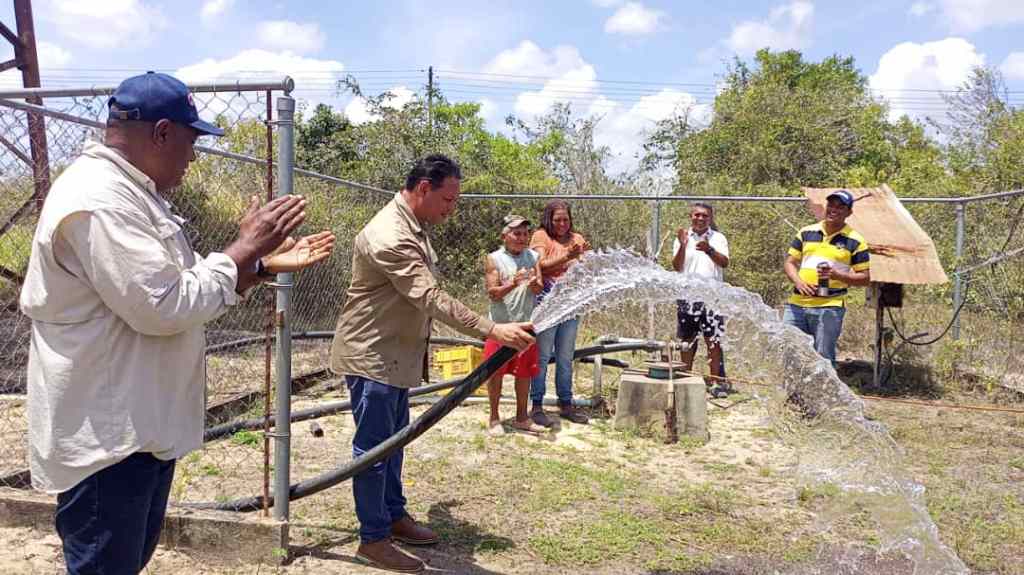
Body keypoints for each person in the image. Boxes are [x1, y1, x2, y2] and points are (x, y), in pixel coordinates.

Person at [19, 72, 335, 575]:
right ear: (162, 133)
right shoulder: (99, 199)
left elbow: (175, 285)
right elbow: (164, 305)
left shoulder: (132, 193)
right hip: (109, 440)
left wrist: (257, 266)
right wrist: (243, 249)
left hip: (137, 428)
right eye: (191, 142)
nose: (193, 157)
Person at [329, 154, 534, 573]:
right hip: (373, 356)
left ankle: (393, 515)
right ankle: (373, 539)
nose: (451, 208)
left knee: (394, 442)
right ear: (424, 188)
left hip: (395, 355)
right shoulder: (389, 234)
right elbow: (429, 297)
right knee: (374, 450)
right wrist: (491, 329)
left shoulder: (412, 226)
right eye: (448, 199)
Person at [783, 189, 871, 365]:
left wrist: (837, 275)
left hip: (829, 307)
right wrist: (798, 282)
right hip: (796, 305)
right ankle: (792, 385)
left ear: (849, 212)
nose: (833, 210)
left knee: (823, 358)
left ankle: (823, 385)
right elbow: (789, 263)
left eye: (840, 207)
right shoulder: (806, 232)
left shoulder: (855, 240)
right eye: (831, 205)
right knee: (789, 352)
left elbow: (865, 278)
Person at [529, 200, 591, 427]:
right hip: (547, 301)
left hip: (571, 302)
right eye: (557, 220)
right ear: (549, 219)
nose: (562, 224)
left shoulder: (577, 239)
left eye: (566, 219)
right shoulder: (541, 237)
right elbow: (541, 266)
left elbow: (587, 267)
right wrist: (568, 256)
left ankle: (566, 403)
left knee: (566, 355)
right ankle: (537, 404)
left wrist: (585, 261)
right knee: (543, 355)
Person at [483, 215, 546, 436]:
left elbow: (539, 288)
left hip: (526, 325)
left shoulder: (533, 256)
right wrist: (513, 283)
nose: (521, 238)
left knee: (524, 373)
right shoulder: (494, 259)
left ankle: (521, 418)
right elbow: (493, 294)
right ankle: (494, 419)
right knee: (495, 373)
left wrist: (535, 284)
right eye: (516, 233)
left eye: (525, 234)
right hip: (499, 328)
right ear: (504, 236)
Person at [671, 202, 730, 391]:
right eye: (697, 215)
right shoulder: (683, 237)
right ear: (691, 216)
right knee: (687, 339)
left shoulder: (718, 238)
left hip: (712, 297)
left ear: (710, 218)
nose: (701, 218)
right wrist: (682, 245)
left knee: (713, 340)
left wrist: (709, 249)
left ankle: (715, 382)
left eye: (705, 215)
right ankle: (685, 379)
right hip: (687, 296)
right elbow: (677, 266)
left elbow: (724, 262)